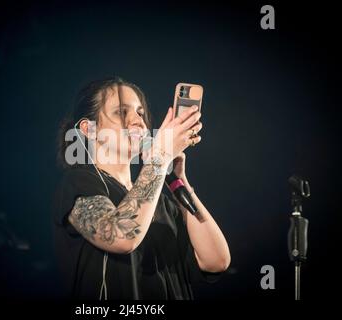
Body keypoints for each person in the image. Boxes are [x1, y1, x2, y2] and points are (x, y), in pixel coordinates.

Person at [53, 77, 230, 300]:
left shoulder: (161, 202)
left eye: (140, 112)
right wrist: (160, 157)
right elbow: (122, 235)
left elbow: (216, 260)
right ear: (89, 129)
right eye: (121, 112)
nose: (138, 121)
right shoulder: (79, 183)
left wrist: (178, 181)